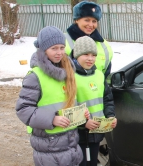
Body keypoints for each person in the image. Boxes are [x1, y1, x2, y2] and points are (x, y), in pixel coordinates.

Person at [15, 26, 89, 166]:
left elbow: (68, 102)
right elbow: (23, 109)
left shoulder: (68, 72)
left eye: (62, 47)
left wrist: (80, 112)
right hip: (49, 144)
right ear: (43, 49)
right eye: (54, 48)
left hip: (71, 141)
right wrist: (52, 119)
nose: (59, 52)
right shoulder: (35, 76)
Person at [71, 36, 117, 166]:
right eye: (86, 54)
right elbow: (69, 105)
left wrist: (110, 116)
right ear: (76, 55)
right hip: (79, 134)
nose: (90, 58)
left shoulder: (99, 75)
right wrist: (84, 122)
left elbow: (107, 99)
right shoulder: (71, 77)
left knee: (93, 162)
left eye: (93, 55)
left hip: (96, 132)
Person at [65, 1, 113, 78]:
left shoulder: (104, 46)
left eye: (94, 21)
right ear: (76, 20)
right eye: (87, 20)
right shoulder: (62, 42)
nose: (91, 25)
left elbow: (105, 76)